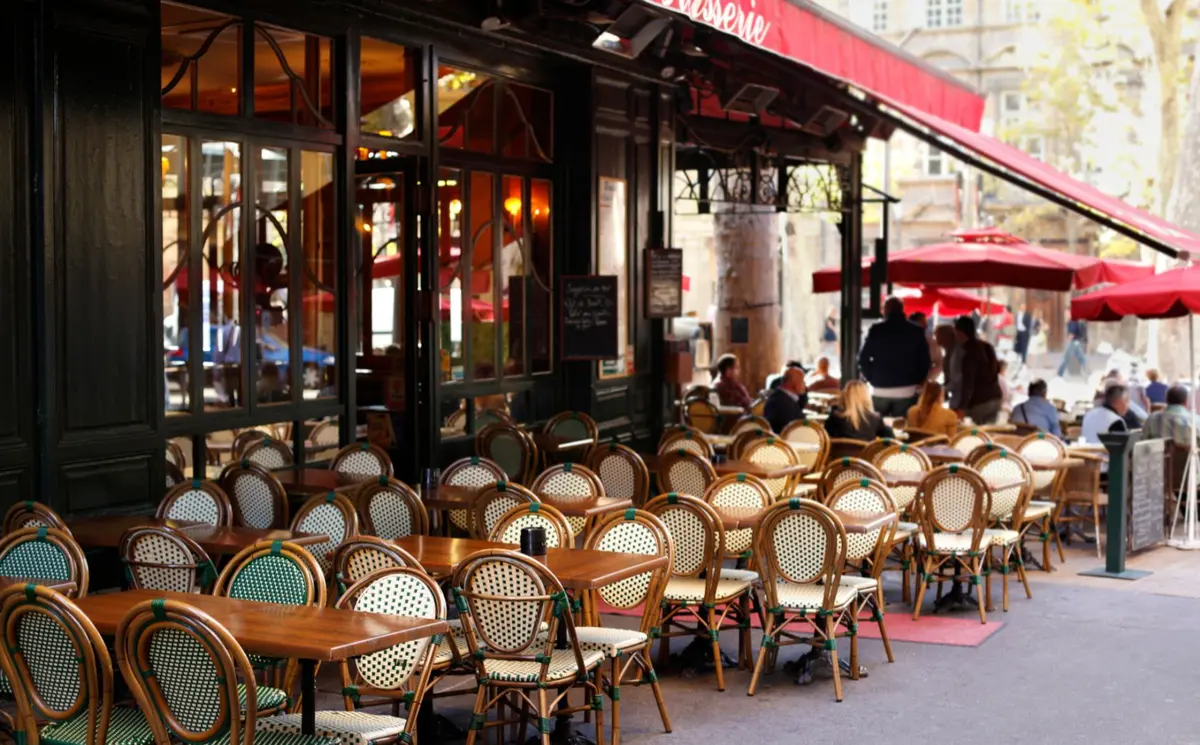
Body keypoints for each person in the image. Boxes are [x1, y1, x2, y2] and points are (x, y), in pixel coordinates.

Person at [858, 296, 931, 417]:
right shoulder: (916, 331)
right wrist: (917, 381)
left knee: (878, 429)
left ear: (886, 310)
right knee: (903, 427)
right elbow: (925, 361)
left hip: (880, 388)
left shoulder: (877, 330)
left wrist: (872, 378)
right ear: (902, 310)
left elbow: (863, 359)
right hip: (908, 390)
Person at [954, 316, 1003, 424]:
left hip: (980, 402)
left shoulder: (969, 354)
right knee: (989, 435)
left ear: (960, 332)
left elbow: (968, 385)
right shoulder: (987, 346)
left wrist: (962, 407)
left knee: (977, 437)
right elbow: (998, 368)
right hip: (996, 397)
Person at [824, 380, 895, 441]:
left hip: (840, 456)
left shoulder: (836, 416)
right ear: (866, 397)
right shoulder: (875, 419)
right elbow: (891, 442)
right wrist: (888, 428)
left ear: (845, 395)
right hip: (867, 456)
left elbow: (825, 437)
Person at [763, 367, 808, 433]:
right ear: (793, 383)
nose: (805, 385)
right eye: (802, 381)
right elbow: (789, 432)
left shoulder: (781, 397)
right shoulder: (781, 403)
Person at [910, 312, 944, 382]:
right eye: (922, 323)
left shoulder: (931, 343)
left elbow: (939, 363)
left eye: (925, 323)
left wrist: (929, 378)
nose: (925, 326)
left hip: (924, 383)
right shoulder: (904, 341)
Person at [934, 324, 961, 406]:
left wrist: (942, 389)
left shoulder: (956, 353)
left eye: (937, 335)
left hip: (960, 396)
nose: (935, 339)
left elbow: (957, 379)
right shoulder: (948, 351)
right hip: (956, 395)